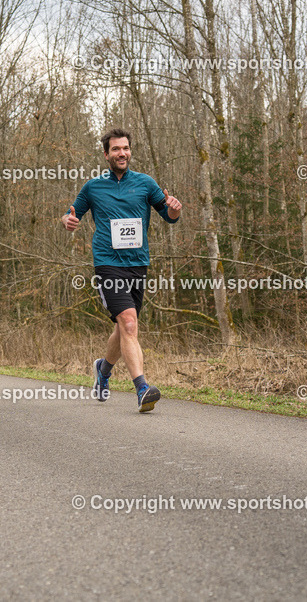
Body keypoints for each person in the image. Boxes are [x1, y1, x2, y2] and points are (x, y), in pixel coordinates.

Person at [62, 128, 182, 413]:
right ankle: (142, 388)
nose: (122, 153)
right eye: (116, 149)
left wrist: (175, 209)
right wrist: (67, 220)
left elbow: (170, 217)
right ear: (106, 154)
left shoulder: (145, 183)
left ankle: (103, 369)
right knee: (129, 323)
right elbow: (72, 212)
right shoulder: (93, 187)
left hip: (138, 263)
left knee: (123, 326)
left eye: (125, 148)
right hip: (107, 263)